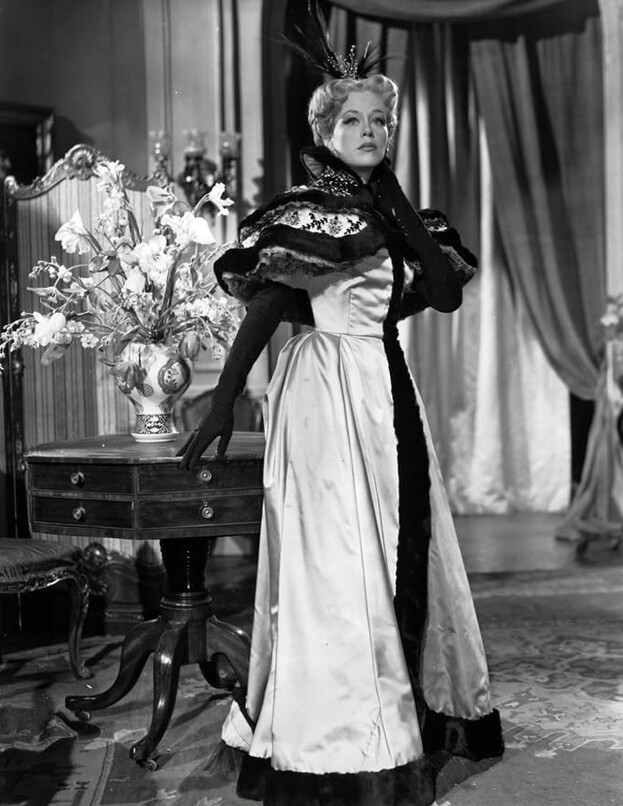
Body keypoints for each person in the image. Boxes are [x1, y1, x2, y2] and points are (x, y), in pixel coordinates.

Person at [178, 14, 504, 806]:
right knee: (338, 560)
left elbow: (445, 293)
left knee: (402, 547)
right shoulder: (308, 213)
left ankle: (412, 706)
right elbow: (267, 306)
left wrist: (391, 194)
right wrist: (222, 401)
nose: (369, 131)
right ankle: (343, 736)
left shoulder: (395, 215)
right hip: (324, 389)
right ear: (323, 131)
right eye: (352, 120)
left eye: (380, 121)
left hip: (386, 385)